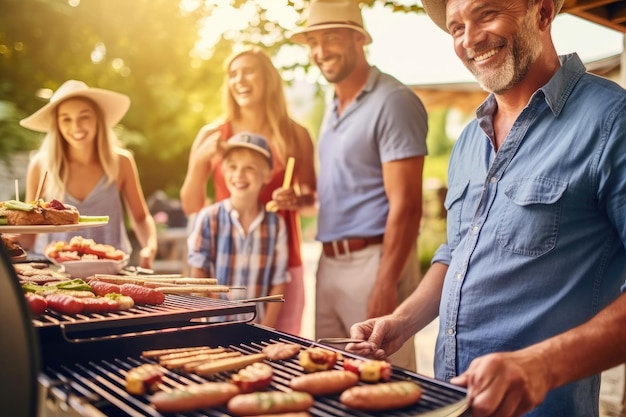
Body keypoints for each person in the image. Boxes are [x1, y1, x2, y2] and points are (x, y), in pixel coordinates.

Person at [346, 0, 626, 416]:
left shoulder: (612, 120)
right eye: (456, 27)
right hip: (449, 403)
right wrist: (401, 322)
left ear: (544, 12)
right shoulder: (468, 140)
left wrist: (543, 366)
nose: (469, 39)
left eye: (487, 14)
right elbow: (456, 253)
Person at [289, 0, 428, 371]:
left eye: (330, 39)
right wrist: (301, 198)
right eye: (313, 43)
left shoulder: (393, 101)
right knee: (331, 375)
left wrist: (386, 283)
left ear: (357, 39)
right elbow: (345, 189)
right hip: (329, 263)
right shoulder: (333, 105)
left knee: (385, 379)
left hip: (375, 261)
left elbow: (408, 205)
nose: (320, 52)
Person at [180, 47, 316, 336]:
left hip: (283, 264)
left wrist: (297, 199)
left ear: (268, 79)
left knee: (282, 347)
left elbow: (312, 203)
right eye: (233, 74)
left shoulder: (296, 134)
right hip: (226, 260)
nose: (240, 79)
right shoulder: (212, 134)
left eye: (249, 71)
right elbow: (192, 206)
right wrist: (200, 160)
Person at [19, 80, 158, 269]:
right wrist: (9, 241)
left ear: (97, 119)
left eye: (84, 117)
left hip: (110, 271)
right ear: (57, 124)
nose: (76, 126)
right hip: (50, 272)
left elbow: (141, 218)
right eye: (66, 119)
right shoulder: (40, 165)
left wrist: (149, 247)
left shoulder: (121, 162)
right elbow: (28, 230)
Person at [187, 132, 287, 328]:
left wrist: (265, 330)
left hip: (257, 329)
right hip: (214, 327)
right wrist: (200, 328)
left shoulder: (276, 226)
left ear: (268, 174)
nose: (239, 174)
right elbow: (198, 279)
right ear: (223, 170)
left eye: (249, 167)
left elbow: (279, 283)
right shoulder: (209, 218)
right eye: (232, 166)